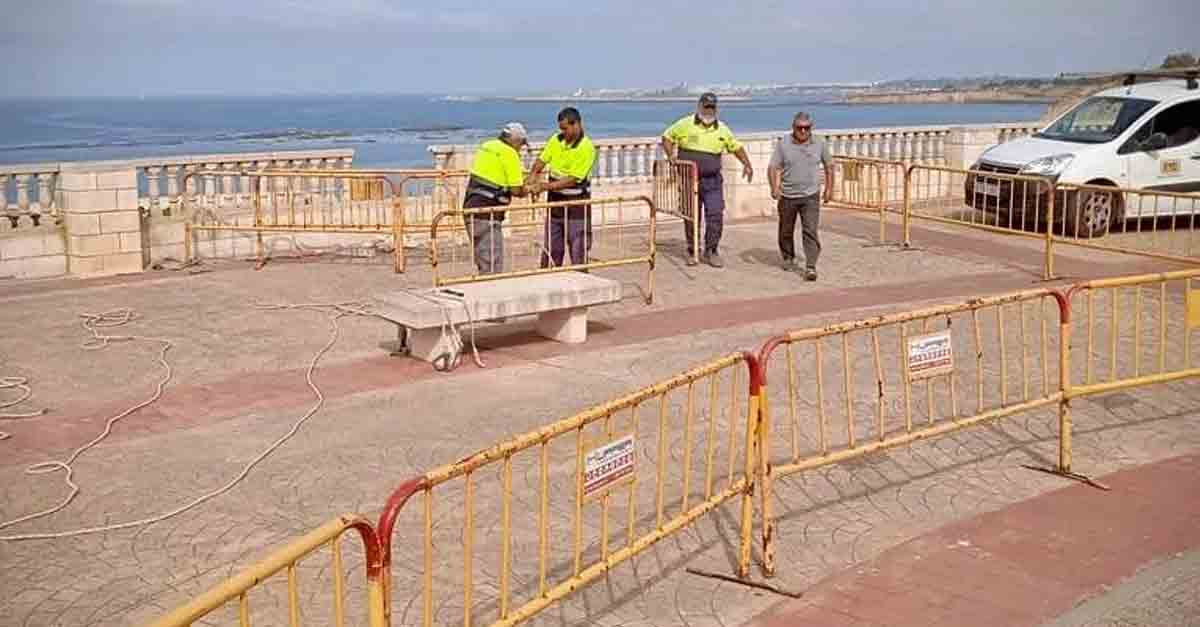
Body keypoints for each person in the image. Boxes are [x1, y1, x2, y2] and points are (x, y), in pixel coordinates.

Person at [661, 92, 754, 268]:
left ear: (716, 108)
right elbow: (666, 137)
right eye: (706, 106)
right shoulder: (685, 124)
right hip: (689, 179)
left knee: (715, 214)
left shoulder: (722, 129)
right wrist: (671, 156)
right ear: (700, 106)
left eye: (712, 107)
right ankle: (692, 249)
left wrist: (747, 164)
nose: (709, 110)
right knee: (691, 215)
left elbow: (736, 146)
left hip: (712, 181)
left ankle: (711, 250)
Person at [463, 122, 541, 274]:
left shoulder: (487, 145)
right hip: (487, 215)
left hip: (470, 209)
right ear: (516, 140)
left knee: (483, 261)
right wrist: (531, 188)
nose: (521, 148)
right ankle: (489, 295)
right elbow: (516, 190)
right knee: (492, 265)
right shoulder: (510, 154)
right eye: (522, 144)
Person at [528, 107, 597, 268]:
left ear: (576, 125)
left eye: (565, 128)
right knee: (552, 248)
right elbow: (542, 159)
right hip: (555, 205)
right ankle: (548, 280)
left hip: (576, 206)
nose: (563, 132)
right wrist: (534, 173)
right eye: (561, 129)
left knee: (578, 249)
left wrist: (544, 186)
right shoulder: (556, 139)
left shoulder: (586, 148)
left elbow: (573, 179)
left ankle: (581, 281)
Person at [768, 112, 832, 281]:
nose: (803, 131)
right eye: (799, 128)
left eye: (807, 128)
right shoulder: (784, 143)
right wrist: (774, 188)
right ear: (793, 127)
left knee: (810, 230)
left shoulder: (820, 143)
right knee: (785, 230)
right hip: (788, 195)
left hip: (810, 195)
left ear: (811, 128)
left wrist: (829, 189)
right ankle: (788, 256)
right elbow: (773, 167)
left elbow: (829, 166)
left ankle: (811, 266)